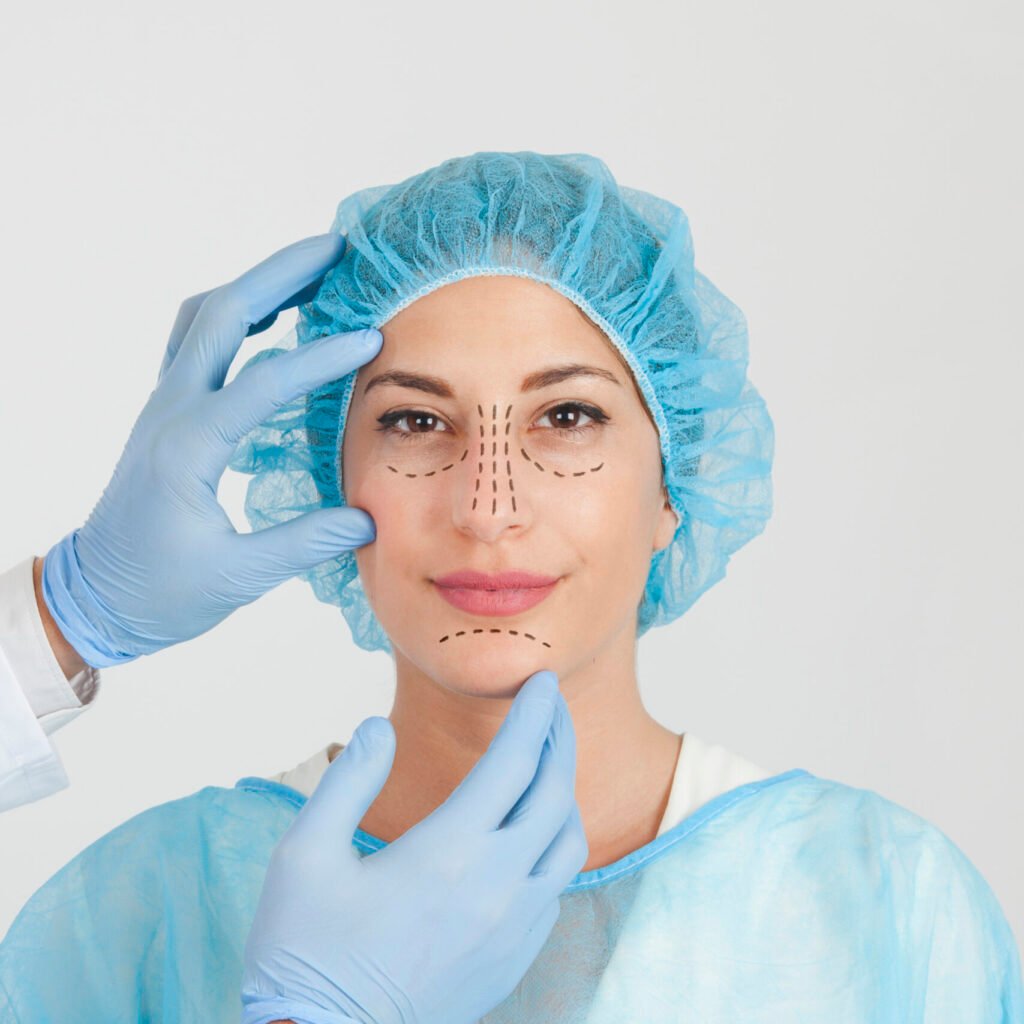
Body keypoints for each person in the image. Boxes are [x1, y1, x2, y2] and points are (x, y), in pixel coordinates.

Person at [1, 150, 1021, 1022]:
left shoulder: (883, 903)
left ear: (674, 486)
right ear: (328, 475)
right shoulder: (143, 913)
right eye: (415, 421)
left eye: (567, 418)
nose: (489, 507)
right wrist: (67, 613)